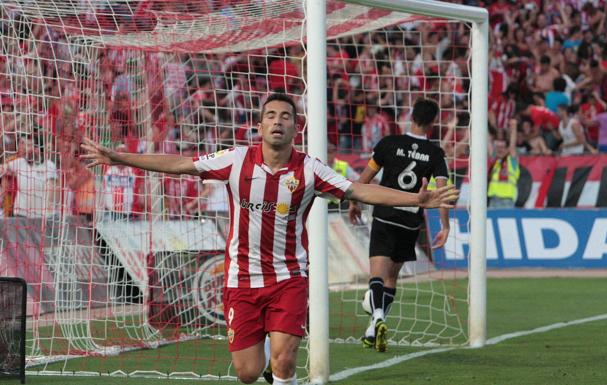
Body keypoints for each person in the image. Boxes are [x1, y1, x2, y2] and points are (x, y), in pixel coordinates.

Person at [81, 93, 459, 385]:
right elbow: (180, 164)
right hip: (240, 280)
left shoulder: (310, 169)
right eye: (271, 116)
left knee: (284, 359)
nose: (278, 122)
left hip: (289, 278)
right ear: (259, 126)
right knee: (247, 372)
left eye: (286, 117)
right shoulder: (235, 160)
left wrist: (417, 199)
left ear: (297, 127)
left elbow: (362, 192)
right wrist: (119, 157)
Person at [347, 99, 451, 353]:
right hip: (410, 219)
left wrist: (354, 201)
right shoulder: (436, 154)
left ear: (410, 116)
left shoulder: (388, 144)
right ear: (433, 122)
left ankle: (378, 316)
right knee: (392, 277)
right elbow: (442, 191)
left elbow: (366, 178)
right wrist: (445, 225)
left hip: (384, 214)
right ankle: (374, 325)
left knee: (377, 275)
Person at [0, 135, 59, 218]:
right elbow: (3, 168)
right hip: (20, 215)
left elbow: (51, 190)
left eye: (34, 147)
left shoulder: (49, 165)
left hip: (40, 216)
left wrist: (48, 210)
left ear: (41, 149)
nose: (30, 149)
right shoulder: (20, 162)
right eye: (28, 146)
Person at [488, 119, 520, 208]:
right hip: (493, 199)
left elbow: (512, 145)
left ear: (507, 149)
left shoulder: (511, 160)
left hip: (507, 200)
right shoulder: (495, 161)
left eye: (502, 148)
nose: (500, 150)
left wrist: (514, 128)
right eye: (498, 148)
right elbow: (488, 143)